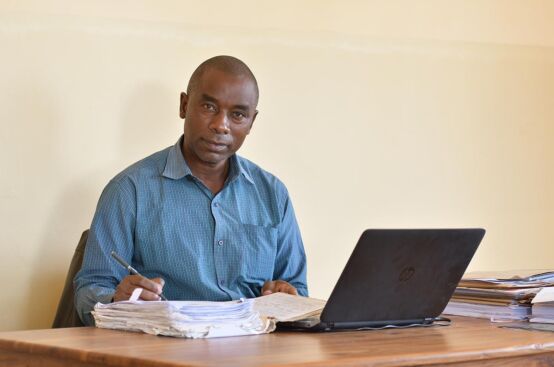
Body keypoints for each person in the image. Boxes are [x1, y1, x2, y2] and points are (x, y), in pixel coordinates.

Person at [74, 56, 308, 326]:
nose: (221, 125)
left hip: (253, 350)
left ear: (252, 122)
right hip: (166, 350)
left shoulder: (273, 194)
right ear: (184, 105)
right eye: (209, 106)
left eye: (238, 115)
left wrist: (288, 296)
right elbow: (89, 290)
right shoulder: (130, 190)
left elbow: (297, 288)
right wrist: (117, 300)